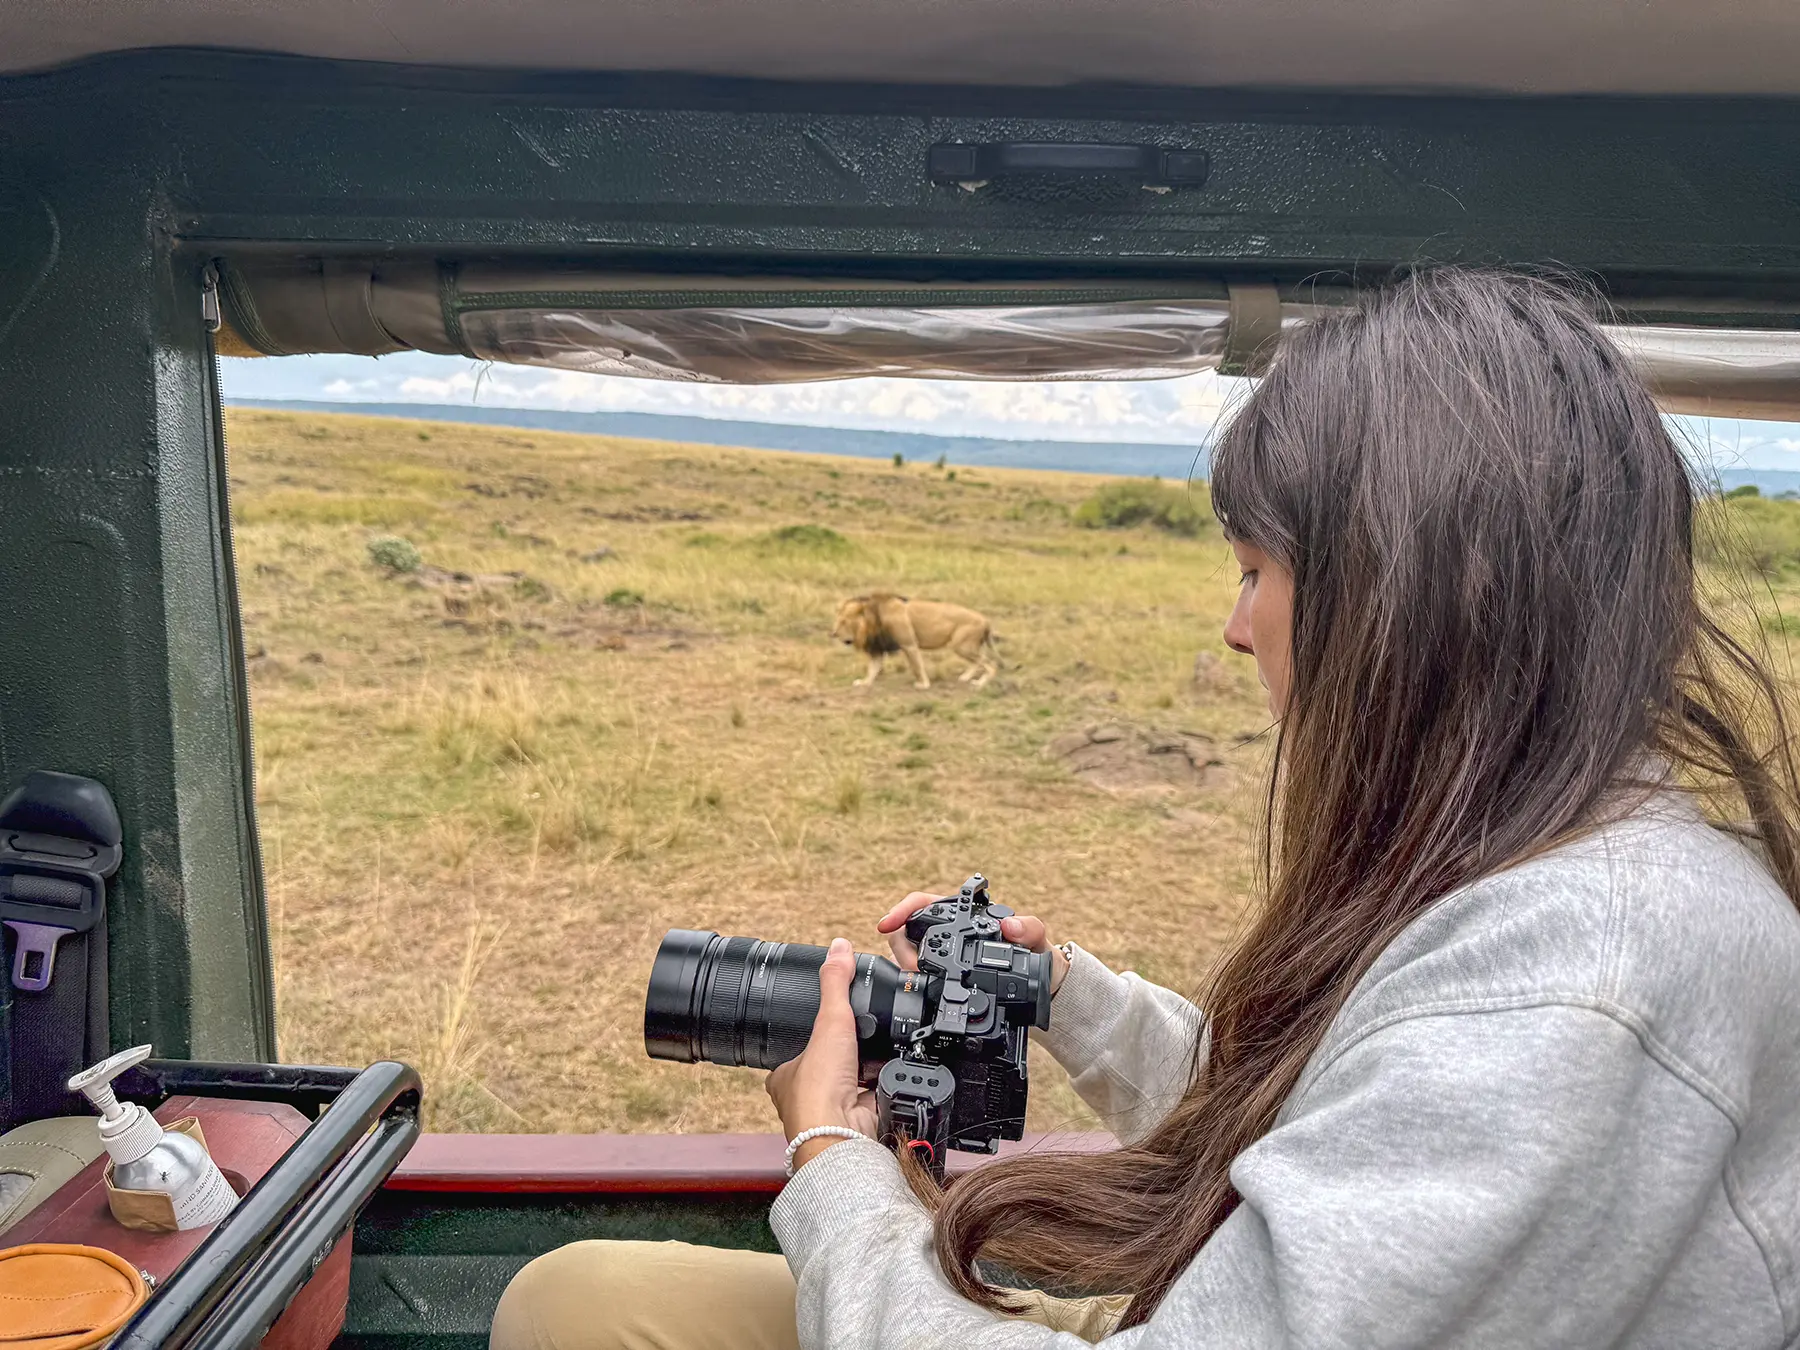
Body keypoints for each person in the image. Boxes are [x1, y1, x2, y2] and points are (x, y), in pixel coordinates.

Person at [490, 270, 1800, 1350]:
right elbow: (1330, 1127)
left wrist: (833, 1156)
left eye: (1255, 572)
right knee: (583, 1300)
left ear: (1424, 590)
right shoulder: (1559, 866)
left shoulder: (1570, 992)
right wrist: (1061, 989)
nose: (1234, 631)